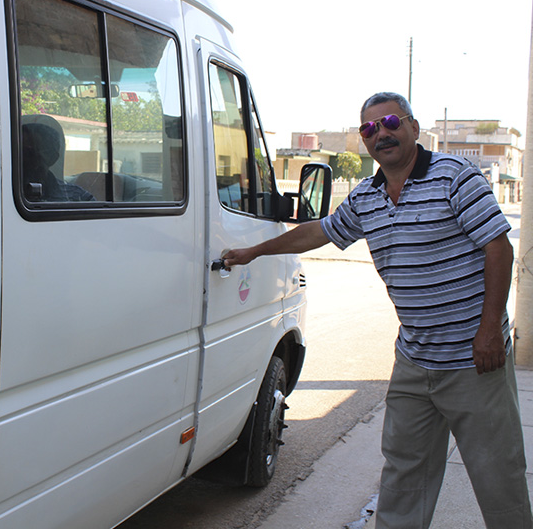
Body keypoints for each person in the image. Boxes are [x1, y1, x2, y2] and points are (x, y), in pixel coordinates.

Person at [223, 92, 532, 529]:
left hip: (473, 360)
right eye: (370, 128)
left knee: (497, 474)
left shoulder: (455, 177)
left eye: (390, 123)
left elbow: (498, 249)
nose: (381, 134)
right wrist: (253, 251)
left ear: (413, 127)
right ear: (364, 140)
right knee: (404, 473)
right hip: (414, 361)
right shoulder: (367, 197)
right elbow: (319, 232)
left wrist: (488, 332)